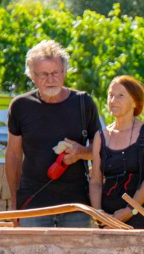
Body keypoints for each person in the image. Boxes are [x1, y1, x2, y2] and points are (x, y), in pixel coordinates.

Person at [6, 40, 102, 227]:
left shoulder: (84, 103)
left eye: (55, 73)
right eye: (43, 74)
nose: (51, 79)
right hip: (33, 206)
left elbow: (101, 151)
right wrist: (14, 202)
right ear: (32, 76)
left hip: (76, 206)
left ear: (64, 73)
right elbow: (13, 156)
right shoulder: (20, 106)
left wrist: (80, 152)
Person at [89, 75, 144, 229]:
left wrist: (129, 211)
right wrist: (99, 214)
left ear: (135, 102)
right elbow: (95, 181)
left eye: (120, 95)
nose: (113, 100)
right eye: (110, 95)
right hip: (108, 219)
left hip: (140, 217)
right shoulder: (100, 136)